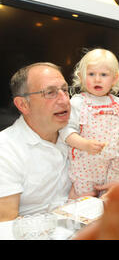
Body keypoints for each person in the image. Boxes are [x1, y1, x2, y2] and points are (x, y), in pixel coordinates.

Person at [59, 48, 119, 198]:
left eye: (103, 75)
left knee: (112, 203)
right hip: (86, 168)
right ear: (81, 77)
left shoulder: (117, 103)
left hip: (113, 167)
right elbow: (65, 131)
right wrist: (84, 144)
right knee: (84, 206)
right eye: (91, 74)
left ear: (114, 79)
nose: (97, 79)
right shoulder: (78, 102)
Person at [0, 63, 72, 220]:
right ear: (23, 105)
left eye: (65, 90)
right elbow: (6, 225)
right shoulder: (5, 149)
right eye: (50, 93)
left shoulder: (78, 136)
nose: (64, 100)